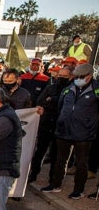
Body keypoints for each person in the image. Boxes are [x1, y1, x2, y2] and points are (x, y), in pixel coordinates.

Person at [40, 63, 99, 199]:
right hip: (64, 130)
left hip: (84, 133)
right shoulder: (68, 89)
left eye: (81, 76)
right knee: (60, 160)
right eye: (76, 76)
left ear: (89, 76)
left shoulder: (96, 90)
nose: (78, 78)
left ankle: (78, 190)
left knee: (81, 163)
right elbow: (61, 106)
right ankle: (55, 184)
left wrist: (91, 126)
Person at [28, 66, 73, 183]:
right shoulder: (51, 87)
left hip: (61, 126)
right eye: (60, 75)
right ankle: (33, 174)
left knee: (56, 155)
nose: (61, 78)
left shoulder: (72, 89)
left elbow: (64, 105)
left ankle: (53, 180)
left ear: (71, 77)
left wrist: (52, 100)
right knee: (40, 151)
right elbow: (40, 101)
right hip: (46, 124)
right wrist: (50, 102)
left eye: (64, 76)